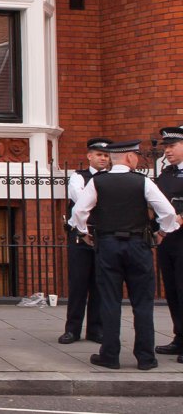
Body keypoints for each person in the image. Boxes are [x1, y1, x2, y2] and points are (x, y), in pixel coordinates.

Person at [70, 139, 180, 370]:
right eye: (136, 155)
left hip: (108, 245)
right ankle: (145, 358)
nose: (138, 159)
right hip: (138, 245)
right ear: (130, 157)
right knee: (142, 302)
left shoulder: (98, 182)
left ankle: (109, 355)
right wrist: (162, 233)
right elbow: (168, 213)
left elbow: (79, 211)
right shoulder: (142, 182)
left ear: (112, 158)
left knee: (110, 300)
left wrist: (83, 233)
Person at [59, 137, 112, 345]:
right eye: (99, 154)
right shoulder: (78, 176)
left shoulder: (111, 178)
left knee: (100, 283)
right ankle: (72, 329)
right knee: (78, 283)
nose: (103, 159)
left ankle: (95, 330)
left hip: (102, 234)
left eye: (106, 155)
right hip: (80, 235)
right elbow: (80, 199)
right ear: (89, 156)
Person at [154, 126, 183, 359]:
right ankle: (179, 338)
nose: (168, 151)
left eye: (172, 146)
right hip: (168, 240)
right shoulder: (166, 174)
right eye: (166, 147)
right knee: (172, 291)